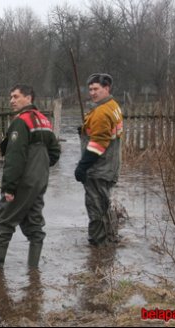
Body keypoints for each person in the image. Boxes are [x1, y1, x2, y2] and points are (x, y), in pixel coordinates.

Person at [0, 84, 61, 269]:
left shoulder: (21, 122)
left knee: (2, 226)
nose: (11, 100)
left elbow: (14, 157)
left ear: (29, 98)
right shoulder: (44, 120)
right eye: (11, 97)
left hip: (21, 182)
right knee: (34, 227)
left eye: (16, 96)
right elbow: (55, 152)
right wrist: (40, 170)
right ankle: (33, 273)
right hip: (39, 182)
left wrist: (9, 187)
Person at [74, 73, 123, 246]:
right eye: (90, 89)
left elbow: (98, 144)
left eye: (96, 89)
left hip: (99, 168)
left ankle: (98, 247)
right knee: (103, 204)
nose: (92, 93)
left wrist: (81, 167)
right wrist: (85, 129)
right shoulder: (112, 105)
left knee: (95, 207)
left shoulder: (102, 112)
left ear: (106, 88)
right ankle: (110, 238)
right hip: (111, 165)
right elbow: (103, 132)